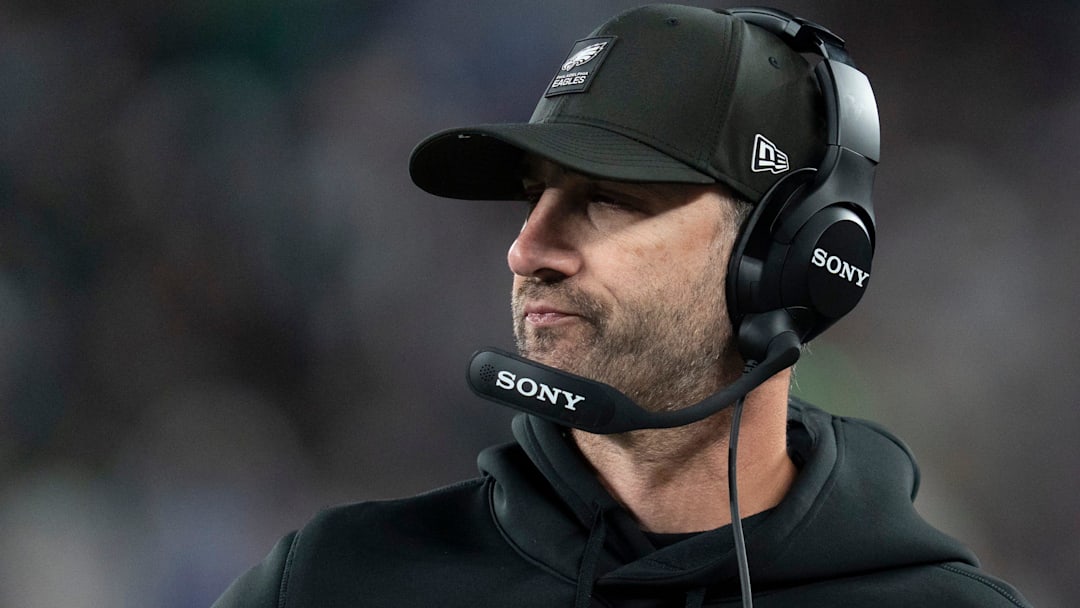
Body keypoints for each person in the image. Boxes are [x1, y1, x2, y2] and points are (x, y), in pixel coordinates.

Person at [212, 5, 1032, 607]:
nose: (527, 249)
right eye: (532, 199)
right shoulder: (331, 584)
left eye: (606, 199)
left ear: (787, 255)